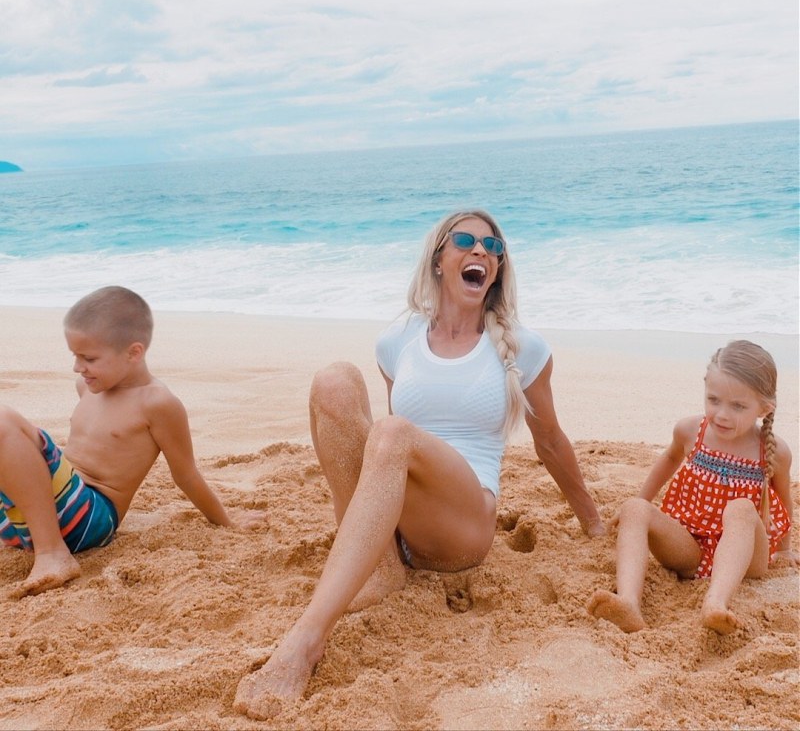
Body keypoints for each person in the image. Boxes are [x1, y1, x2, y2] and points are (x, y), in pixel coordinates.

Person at [235, 209, 604, 719]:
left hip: (464, 524)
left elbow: (550, 440)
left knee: (392, 432)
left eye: (493, 248)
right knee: (334, 381)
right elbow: (385, 456)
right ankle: (382, 565)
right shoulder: (398, 340)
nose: (482, 252)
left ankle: (305, 640)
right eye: (467, 241)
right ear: (438, 258)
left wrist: (593, 520)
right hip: (406, 515)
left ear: (498, 269)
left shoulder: (524, 347)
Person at [0, 285, 264, 598]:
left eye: (89, 358)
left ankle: (52, 555)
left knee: (4, 421)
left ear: (133, 353)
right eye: (75, 356)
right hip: (26, 521)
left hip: (88, 519)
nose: (77, 367)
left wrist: (226, 521)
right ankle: (45, 543)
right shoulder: (87, 388)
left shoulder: (157, 403)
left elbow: (186, 475)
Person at [587, 340, 796, 635]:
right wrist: (639, 506)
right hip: (690, 548)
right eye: (714, 400)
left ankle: (716, 602)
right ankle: (629, 602)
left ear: (764, 407)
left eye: (737, 406)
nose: (722, 414)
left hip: (747, 558)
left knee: (741, 508)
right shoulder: (690, 431)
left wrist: (785, 550)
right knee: (633, 508)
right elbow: (668, 460)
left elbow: (785, 501)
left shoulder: (772, 451)